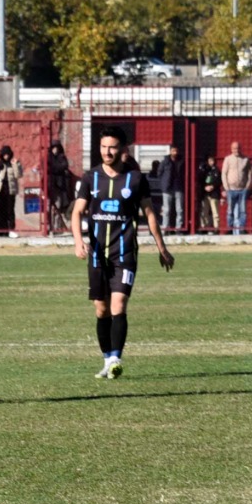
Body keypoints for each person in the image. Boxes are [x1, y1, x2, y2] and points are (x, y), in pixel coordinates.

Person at [73, 127, 174, 380]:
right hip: (97, 254)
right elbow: (76, 212)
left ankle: (116, 358)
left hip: (125, 252)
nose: (107, 152)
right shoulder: (90, 178)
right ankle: (107, 359)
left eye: (112, 147)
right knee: (101, 309)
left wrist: (161, 248)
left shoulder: (135, 179)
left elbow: (149, 215)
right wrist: (77, 241)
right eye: (104, 147)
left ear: (122, 149)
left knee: (119, 304)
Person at [0, 145, 19, 233]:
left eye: (8, 154)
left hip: (10, 191)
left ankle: (11, 230)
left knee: (10, 211)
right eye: (4, 154)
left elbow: (18, 175)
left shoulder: (14, 164)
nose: (6, 156)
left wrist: (16, 165)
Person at [220, 143, 249, 233]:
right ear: (231, 149)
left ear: (240, 148)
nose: (236, 150)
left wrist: (247, 186)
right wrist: (226, 187)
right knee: (230, 210)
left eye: (238, 148)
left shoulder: (245, 159)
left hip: (242, 190)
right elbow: (224, 173)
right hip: (231, 190)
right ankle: (229, 228)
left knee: (243, 211)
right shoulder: (227, 159)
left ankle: (242, 229)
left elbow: (249, 174)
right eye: (234, 148)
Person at [45, 141, 74, 233]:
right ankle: (49, 226)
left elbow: (64, 166)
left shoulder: (62, 157)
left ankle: (56, 227)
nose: (55, 150)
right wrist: (57, 168)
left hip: (60, 186)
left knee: (58, 207)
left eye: (57, 148)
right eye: (54, 148)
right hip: (50, 186)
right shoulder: (48, 157)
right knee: (49, 206)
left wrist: (55, 168)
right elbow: (48, 168)